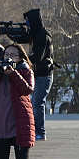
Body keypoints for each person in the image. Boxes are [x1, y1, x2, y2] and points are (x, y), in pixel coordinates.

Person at [24, 9, 53, 140]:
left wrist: (24, 58)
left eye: (28, 22)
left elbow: (38, 57)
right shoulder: (37, 34)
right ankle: (36, 130)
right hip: (39, 74)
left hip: (44, 74)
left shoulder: (42, 35)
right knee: (35, 102)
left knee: (37, 102)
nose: (27, 24)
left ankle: (40, 131)